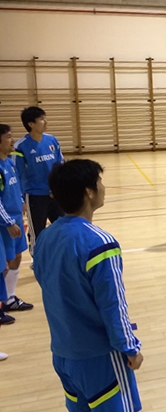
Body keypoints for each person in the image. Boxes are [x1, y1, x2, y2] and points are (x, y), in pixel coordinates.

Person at [34, 159, 143, 411]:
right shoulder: (101, 244)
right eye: (100, 181)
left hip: (63, 355)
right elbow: (113, 305)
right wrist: (130, 347)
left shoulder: (45, 238)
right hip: (100, 359)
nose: (103, 187)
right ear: (88, 192)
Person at [12, 107, 64, 255]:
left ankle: (62, 256)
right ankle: (37, 259)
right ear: (31, 124)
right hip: (35, 196)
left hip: (55, 194)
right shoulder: (21, 146)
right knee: (37, 231)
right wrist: (21, 199)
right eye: (41, 119)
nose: (45, 121)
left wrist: (59, 187)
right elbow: (16, 175)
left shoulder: (52, 140)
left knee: (64, 226)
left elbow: (60, 165)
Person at [0, 124, 33, 320]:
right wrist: (8, 222)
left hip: (16, 220)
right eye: (8, 137)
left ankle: (9, 298)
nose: (12, 140)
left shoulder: (10, 163)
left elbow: (17, 187)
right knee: (2, 265)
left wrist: (21, 202)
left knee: (17, 257)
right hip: (5, 224)